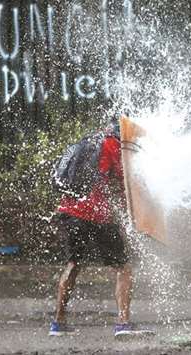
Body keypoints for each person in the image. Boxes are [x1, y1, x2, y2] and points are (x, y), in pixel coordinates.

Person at [49, 119, 135, 337]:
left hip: (69, 211)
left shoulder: (87, 142)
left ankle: (58, 323)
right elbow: (122, 182)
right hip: (97, 214)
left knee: (73, 264)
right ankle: (123, 324)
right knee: (122, 268)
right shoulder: (112, 145)